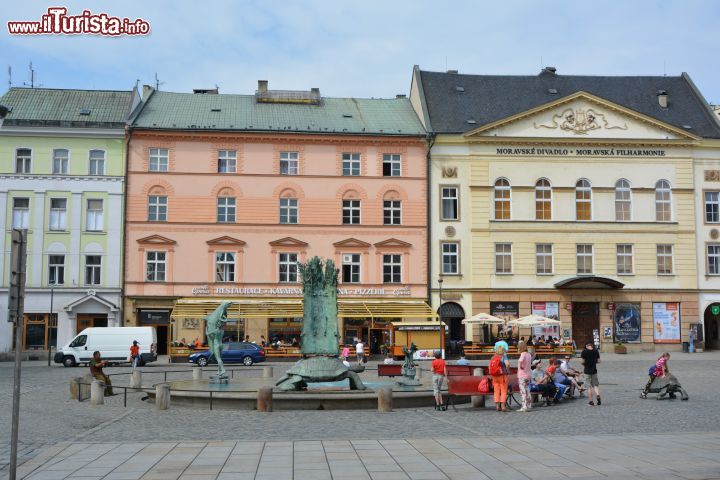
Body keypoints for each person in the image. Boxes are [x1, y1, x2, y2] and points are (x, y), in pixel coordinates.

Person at [489, 344, 510, 412]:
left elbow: (489, 367)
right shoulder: (503, 357)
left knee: (496, 391)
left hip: (494, 376)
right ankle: (503, 406)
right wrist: (507, 370)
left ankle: (497, 406)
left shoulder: (493, 357)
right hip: (502, 375)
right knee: (503, 391)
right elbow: (507, 364)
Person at [580, 341, 601, 406]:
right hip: (594, 370)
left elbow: (582, 361)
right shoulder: (596, 351)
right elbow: (599, 361)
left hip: (587, 371)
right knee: (595, 385)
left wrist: (584, 364)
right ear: (591, 346)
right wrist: (594, 362)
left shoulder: (584, 351)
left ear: (586, 346)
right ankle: (597, 394)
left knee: (588, 387)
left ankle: (591, 402)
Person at [517, 341, 532, 412]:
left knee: (523, 391)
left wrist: (521, 366)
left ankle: (524, 406)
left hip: (522, 375)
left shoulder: (523, 354)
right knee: (527, 390)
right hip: (528, 374)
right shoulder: (529, 354)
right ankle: (529, 405)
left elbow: (520, 360)